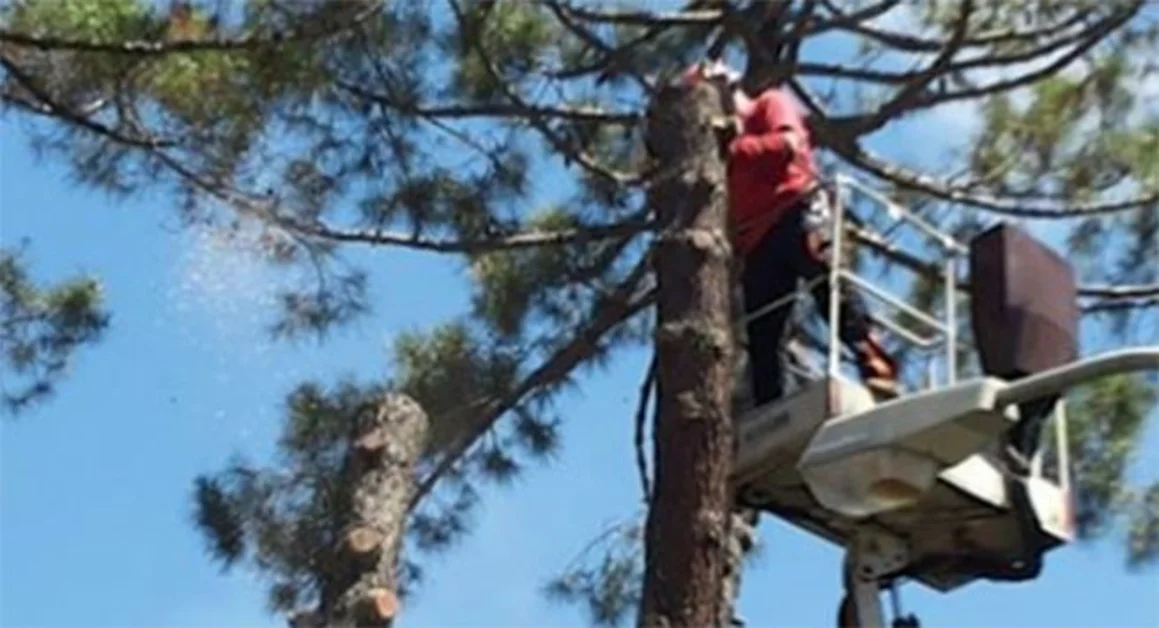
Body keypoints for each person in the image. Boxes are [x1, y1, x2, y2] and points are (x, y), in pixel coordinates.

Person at [683, 60, 900, 405]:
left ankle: (875, 364)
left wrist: (736, 144)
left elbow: (789, 144)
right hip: (757, 239)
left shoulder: (769, 104)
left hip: (797, 208)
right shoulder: (716, 159)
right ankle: (771, 408)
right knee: (763, 334)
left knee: (829, 284)